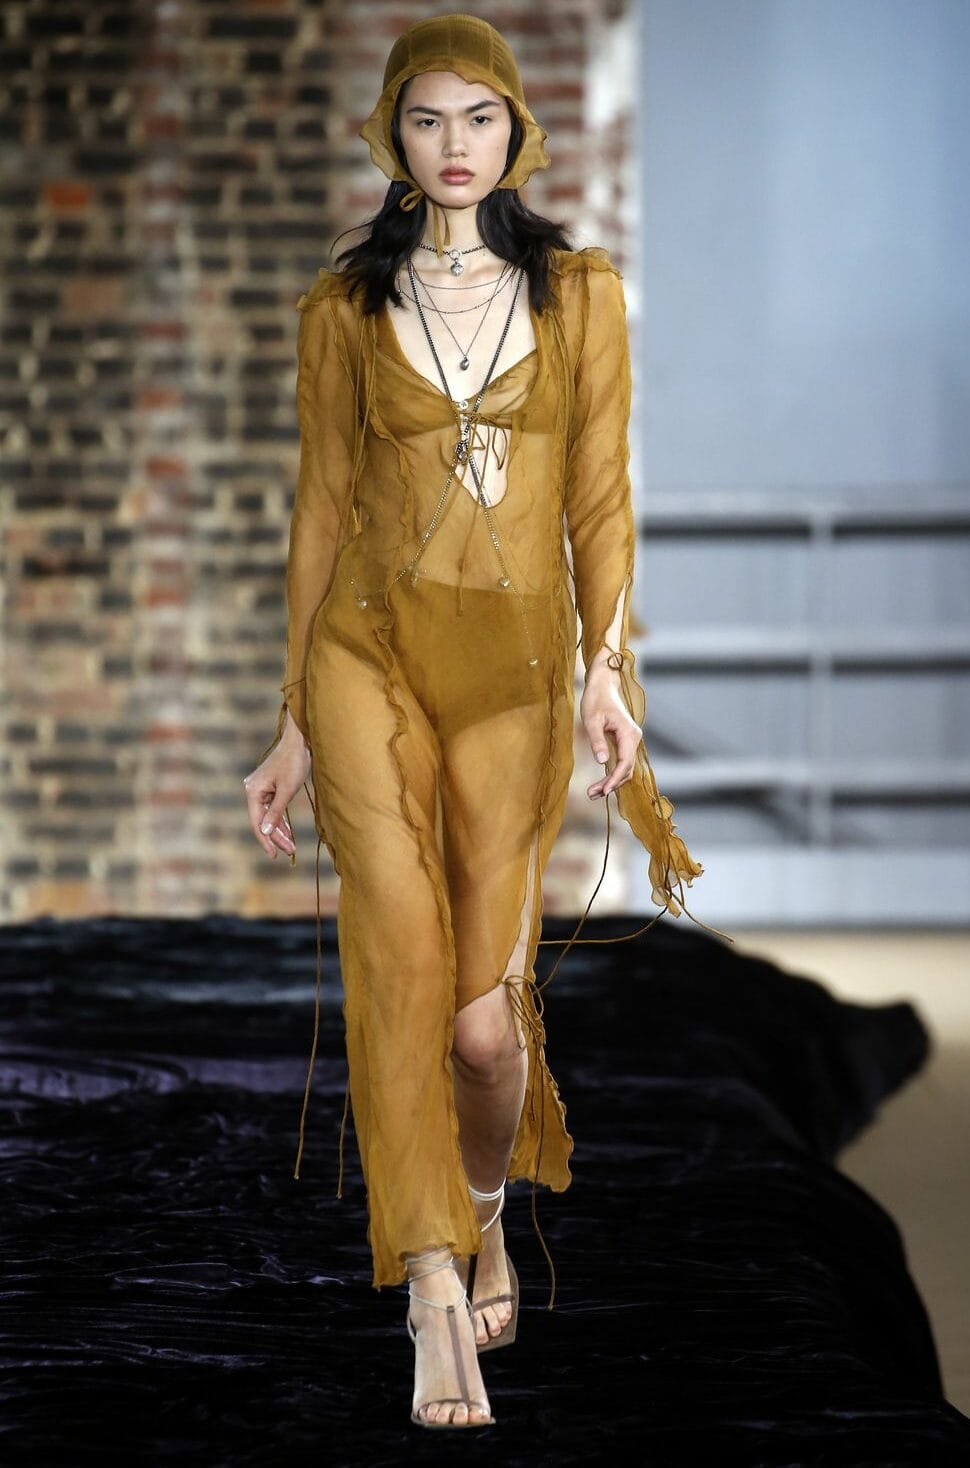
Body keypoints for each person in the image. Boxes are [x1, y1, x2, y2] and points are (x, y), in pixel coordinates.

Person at [243, 11, 710, 1431]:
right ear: (393, 134)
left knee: (482, 1035)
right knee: (394, 963)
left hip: (513, 679)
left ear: (518, 130)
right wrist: (291, 722)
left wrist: (608, 676)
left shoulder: (579, 296)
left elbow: (600, 503)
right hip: (364, 659)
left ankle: (488, 1208)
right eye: (427, 117)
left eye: (479, 116)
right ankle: (432, 1289)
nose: (454, 144)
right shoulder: (342, 310)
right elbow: (319, 515)